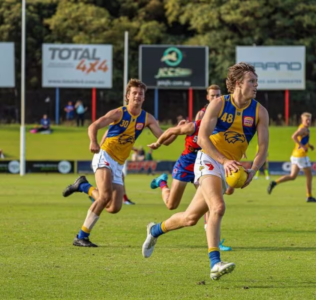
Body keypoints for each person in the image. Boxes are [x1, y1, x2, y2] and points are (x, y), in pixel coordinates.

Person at [142, 62, 269, 281]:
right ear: (239, 83)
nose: (256, 85)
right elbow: (202, 138)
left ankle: (155, 231)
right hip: (209, 159)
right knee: (218, 207)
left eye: (256, 81)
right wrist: (224, 160)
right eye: (252, 81)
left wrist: (253, 170)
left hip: (229, 166)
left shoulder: (260, 111)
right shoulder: (219, 104)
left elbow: (263, 147)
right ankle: (215, 263)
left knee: (190, 218)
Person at [62, 78, 174, 247]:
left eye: (141, 94)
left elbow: (164, 139)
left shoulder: (147, 118)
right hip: (105, 155)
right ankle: (81, 236)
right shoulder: (119, 113)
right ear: (127, 96)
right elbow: (93, 126)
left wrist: (179, 130)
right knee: (105, 196)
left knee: (114, 207)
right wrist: (93, 141)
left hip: (119, 163)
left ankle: (83, 186)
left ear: (144, 98)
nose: (137, 96)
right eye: (134, 93)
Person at [148, 117, 232, 251]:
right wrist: (158, 143)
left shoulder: (222, 130)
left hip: (203, 166)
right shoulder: (194, 126)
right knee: (171, 204)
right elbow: (171, 130)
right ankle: (162, 182)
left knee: (211, 202)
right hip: (186, 164)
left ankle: (215, 242)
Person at [267, 113, 316, 203]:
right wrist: (302, 147)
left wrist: (309, 146)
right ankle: (309, 196)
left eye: (309, 120)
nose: (308, 121)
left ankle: (275, 182)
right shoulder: (303, 128)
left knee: (292, 176)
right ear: (302, 120)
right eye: (306, 120)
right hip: (301, 156)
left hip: (295, 155)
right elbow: (294, 136)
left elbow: (301, 139)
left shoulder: (304, 128)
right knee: (309, 176)